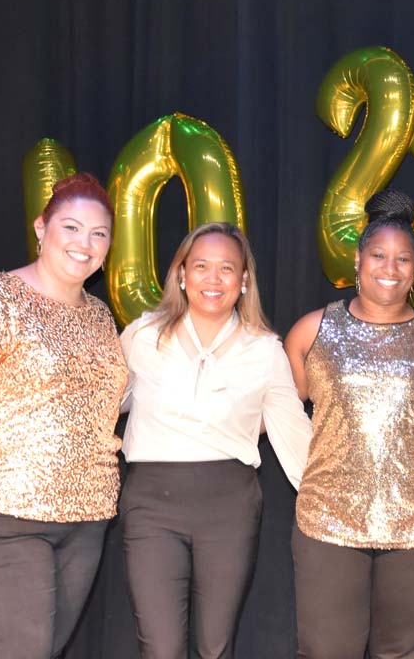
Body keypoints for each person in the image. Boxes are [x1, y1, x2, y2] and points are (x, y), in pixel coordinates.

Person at [0, 172, 127, 658]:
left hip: (85, 523)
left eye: (98, 234)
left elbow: (90, 403)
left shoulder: (99, 316)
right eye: (71, 227)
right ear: (41, 228)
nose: (84, 244)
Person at [282, 190, 414, 659]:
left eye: (402, 259)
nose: (389, 268)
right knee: (325, 651)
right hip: (328, 518)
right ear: (358, 260)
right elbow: (275, 415)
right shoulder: (311, 331)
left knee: (403, 653)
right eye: (378, 255)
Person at [118, 222, 312, 659]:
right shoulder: (142, 336)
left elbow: (295, 434)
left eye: (227, 268)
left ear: (244, 280)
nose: (213, 278)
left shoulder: (265, 351)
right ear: (181, 274)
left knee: (215, 646)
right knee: (160, 648)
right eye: (201, 266)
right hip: (151, 506)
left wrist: (342, 505)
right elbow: (99, 403)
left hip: (229, 507)